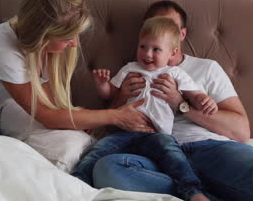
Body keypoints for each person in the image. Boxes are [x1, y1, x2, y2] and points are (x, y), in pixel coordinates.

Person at [88, 0, 253, 200]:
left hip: (204, 147)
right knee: (107, 168)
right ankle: (198, 193)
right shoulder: (132, 70)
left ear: (181, 35)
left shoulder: (206, 68)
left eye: (169, 26)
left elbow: (241, 131)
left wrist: (181, 104)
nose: (159, 32)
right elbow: (110, 126)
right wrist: (121, 96)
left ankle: (201, 192)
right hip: (152, 154)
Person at [0, 0, 154, 139]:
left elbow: (49, 101)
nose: (75, 44)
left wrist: (77, 121)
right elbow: (47, 115)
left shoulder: (42, 46)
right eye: (68, 37)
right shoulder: (2, 52)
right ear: (42, 33)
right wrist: (114, 116)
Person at [72, 17, 217, 201]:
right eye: (142, 47)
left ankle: (193, 192)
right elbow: (109, 94)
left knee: (175, 157)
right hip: (124, 132)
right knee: (97, 150)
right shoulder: (130, 69)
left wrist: (205, 99)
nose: (147, 54)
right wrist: (102, 85)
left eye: (156, 49)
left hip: (157, 135)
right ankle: (76, 183)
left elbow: (194, 95)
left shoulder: (174, 73)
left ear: (172, 53)